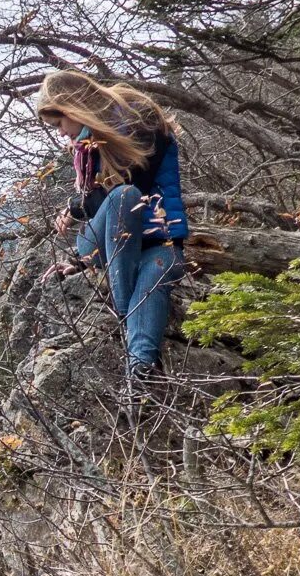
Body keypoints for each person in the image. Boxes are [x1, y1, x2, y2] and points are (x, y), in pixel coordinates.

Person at [35, 69, 189, 383]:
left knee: (152, 286)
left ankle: (140, 380)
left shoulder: (142, 120)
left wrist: (77, 206)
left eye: (59, 123)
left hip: (159, 240)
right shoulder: (88, 145)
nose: (61, 133)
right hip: (103, 241)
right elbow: (103, 198)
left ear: (74, 107)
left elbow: (134, 183)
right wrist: (80, 255)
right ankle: (123, 310)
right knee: (123, 197)